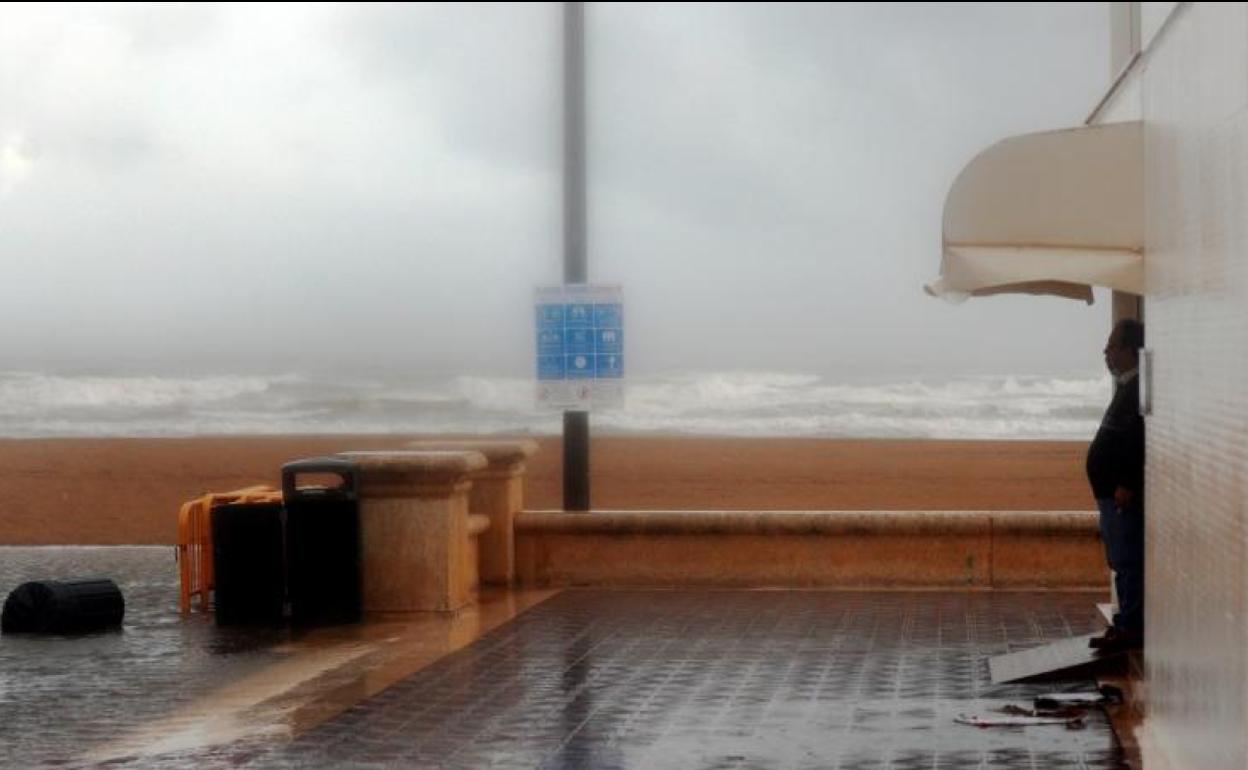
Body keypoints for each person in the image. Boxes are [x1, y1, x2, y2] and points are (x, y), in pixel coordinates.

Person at [1087, 319, 1145, 652]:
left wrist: (1127, 482)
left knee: (1127, 560)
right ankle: (1124, 624)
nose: (1106, 352)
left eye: (1112, 346)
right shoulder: (1127, 385)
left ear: (1129, 350)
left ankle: (1131, 628)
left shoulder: (1138, 389)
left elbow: (1137, 441)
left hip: (1120, 493)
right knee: (1120, 560)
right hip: (1110, 493)